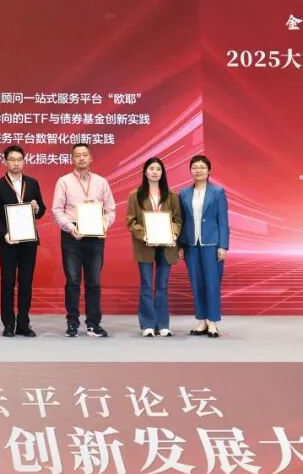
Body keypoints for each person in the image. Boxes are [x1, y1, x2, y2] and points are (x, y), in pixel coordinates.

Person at [51, 143, 116, 338]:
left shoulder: (101, 182)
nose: (81, 158)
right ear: (72, 159)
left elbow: (110, 209)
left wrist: (104, 225)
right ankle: (72, 323)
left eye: (84, 155)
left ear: (91, 158)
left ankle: (93, 324)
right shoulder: (63, 181)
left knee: (93, 282)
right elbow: (57, 210)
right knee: (72, 281)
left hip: (95, 237)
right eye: (77, 155)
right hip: (72, 235)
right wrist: (70, 227)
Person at [0, 145, 46, 337]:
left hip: (29, 240)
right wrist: (5, 233)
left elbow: (41, 209)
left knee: (26, 282)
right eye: (12, 159)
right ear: (5, 162)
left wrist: (37, 208)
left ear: (24, 161)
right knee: (8, 281)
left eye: (19, 159)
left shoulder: (33, 183)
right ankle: (8, 324)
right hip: (8, 241)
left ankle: (23, 323)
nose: (16, 163)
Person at [126, 158, 182, 337]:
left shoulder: (171, 195)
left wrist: (173, 233)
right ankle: (148, 324)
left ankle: (163, 324)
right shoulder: (135, 195)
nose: (155, 172)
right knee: (146, 284)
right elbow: (131, 221)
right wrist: (144, 234)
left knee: (162, 285)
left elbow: (177, 219)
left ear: (162, 173)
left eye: (158, 169)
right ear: (145, 172)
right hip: (145, 244)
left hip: (166, 245)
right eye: (151, 168)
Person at [178, 154, 229, 338]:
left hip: (212, 244)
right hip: (191, 244)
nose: (198, 170)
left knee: (212, 283)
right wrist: (180, 245)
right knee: (196, 282)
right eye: (194, 167)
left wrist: (223, 245)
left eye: (202, 167)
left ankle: (212, 322)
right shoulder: (183, 193)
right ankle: (201, 321)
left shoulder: (218, 192)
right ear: (190, 171)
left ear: (209, 170)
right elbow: (181, 220)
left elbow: (223, 221)